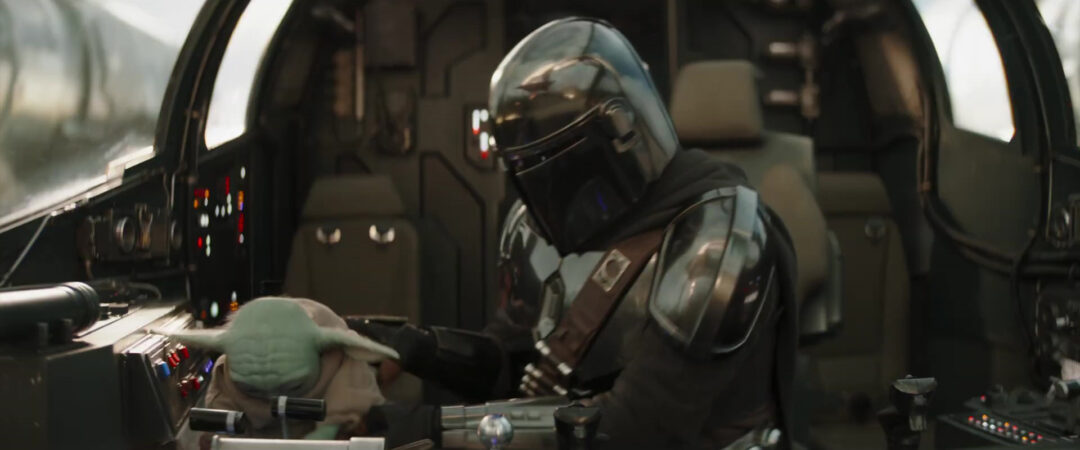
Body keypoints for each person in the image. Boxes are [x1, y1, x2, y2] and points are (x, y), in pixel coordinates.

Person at [358, 17, 798, 449]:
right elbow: (516, 368)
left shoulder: (716, 242)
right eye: (526, 169)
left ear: (620, 135)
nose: (543, 196)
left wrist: (436, 428)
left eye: (552, 164)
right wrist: (417, 349)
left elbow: (634, 428)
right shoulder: (531, 229)